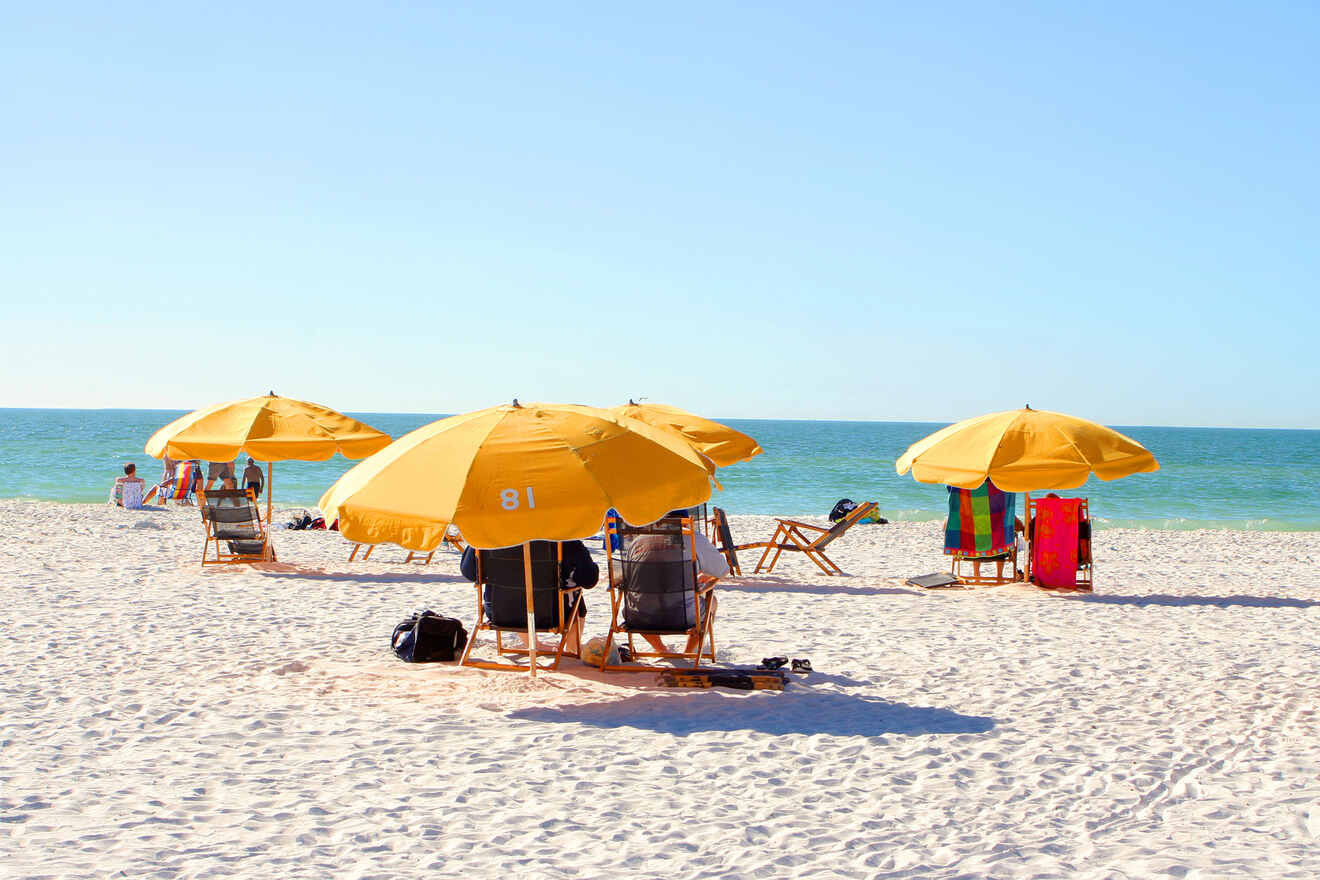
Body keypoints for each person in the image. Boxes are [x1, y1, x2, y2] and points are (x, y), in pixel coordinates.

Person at [459, 540, 598, 653]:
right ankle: (571, 650)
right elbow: (588, 579)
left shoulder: (487, 532)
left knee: (517, 587)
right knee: (575, 593)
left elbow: (469, 573)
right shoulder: (562, 535)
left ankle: (534, 644)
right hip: (551, 614)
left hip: (499, 612)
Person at [622, 509, 729, 655]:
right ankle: (689, 652)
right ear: (686, 521)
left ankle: (661, 649)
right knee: (712, 601)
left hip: (640, 616)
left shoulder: (638, 541)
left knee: (642, 600)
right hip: (682, 616)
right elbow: (723, 570)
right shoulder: (692, 537)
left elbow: (627, 577)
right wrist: (707, 582)